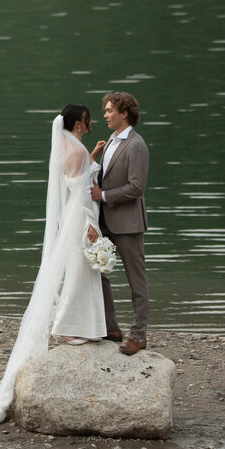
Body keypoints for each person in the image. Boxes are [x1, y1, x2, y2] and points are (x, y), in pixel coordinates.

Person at [0, 103, 105, 427]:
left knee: (79, 271)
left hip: (72, 216)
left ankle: (78, 325)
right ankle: (71, 326)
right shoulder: (77, 151)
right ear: (80, 122)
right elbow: (83, 192)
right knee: (80, 272)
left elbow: (77, 178)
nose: (92, 121)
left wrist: (94, 155)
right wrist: (91, 224)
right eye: (89, 118)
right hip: (80, 218)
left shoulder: (69, 149)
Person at [89, 90, 150, 355]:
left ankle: (139, 336)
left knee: (136, 280)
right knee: (97, 272)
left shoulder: (136, 145)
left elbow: (137, 187)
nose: (105, 115)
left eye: (110, 110)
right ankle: (111, 327)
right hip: (106, 221)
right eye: (106, 110)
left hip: (128, 223)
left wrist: (103, 195)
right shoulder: (111, 141)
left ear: (124, 113)